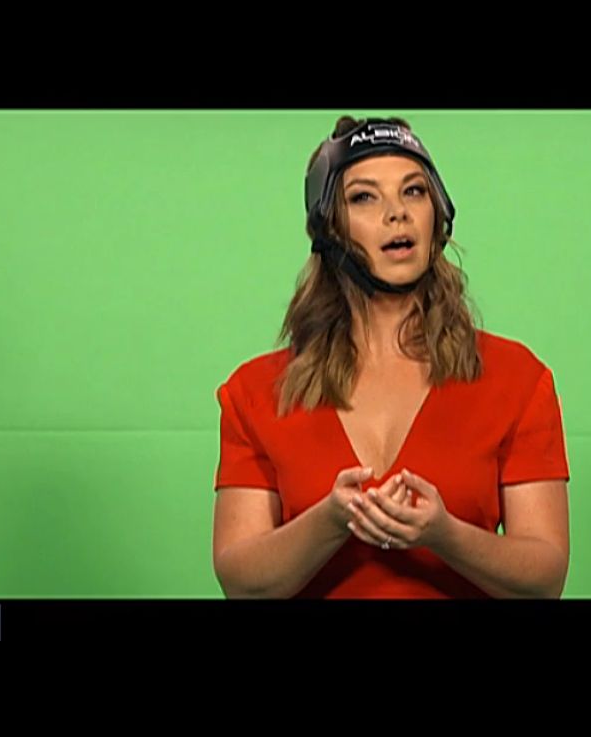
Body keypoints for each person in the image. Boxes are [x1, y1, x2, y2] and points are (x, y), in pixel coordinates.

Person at [212, 115, 570, 598]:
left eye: (414, 191)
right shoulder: (255, 393)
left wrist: (446, 536)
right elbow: (241, 583)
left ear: (437, 214)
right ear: (327, 226)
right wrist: (330, 521)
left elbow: (545, 579)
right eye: (364, 197)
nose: (397, 213)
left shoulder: (518, 379)